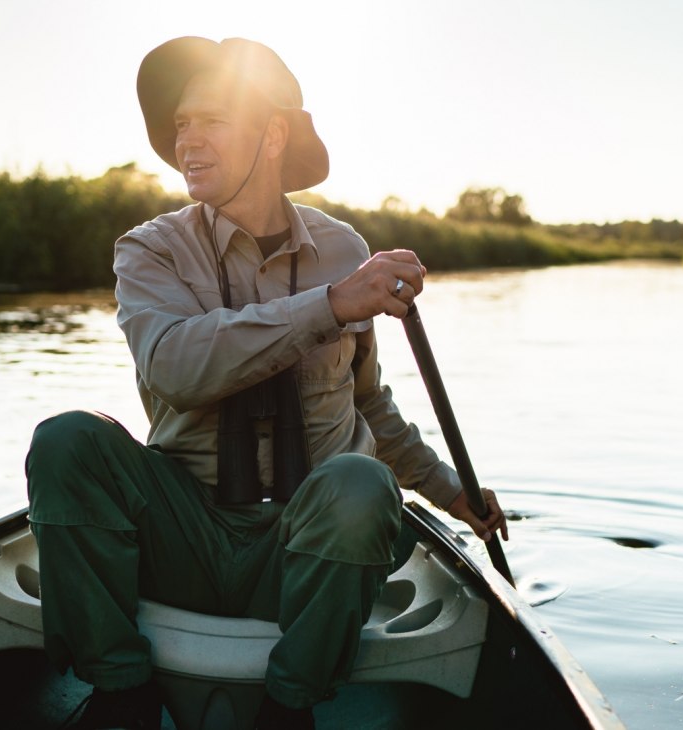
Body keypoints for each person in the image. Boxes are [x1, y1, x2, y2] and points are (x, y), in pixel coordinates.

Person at [25, 36, 508, 730]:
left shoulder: (343, 249)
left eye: (211, 120)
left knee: (361, 481)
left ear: (273, 133)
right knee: (66, 441)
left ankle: (289, 707)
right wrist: (330, 306)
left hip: (299, 553)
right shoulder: (150, 248)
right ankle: (122, 690)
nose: (186, 140)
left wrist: (451, 491)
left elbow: (367, 398)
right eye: (180, 125)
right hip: (182, 538)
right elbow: (173, 367)